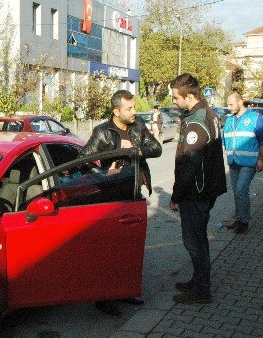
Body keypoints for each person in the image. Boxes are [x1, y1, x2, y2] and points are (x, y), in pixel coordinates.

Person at [81, 89, 162, 316]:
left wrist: (135, 150)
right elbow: (83, 159)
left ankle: (126, 290)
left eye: (134, 107)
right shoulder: (102, 132)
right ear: (116, 111)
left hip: (133, 195)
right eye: (129, 108)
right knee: (109, 248)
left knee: (130, 246)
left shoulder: (138, 127)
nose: (134, 112)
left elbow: (156, 148)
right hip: (110, 198)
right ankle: (104, 297)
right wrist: (102, 174)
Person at [168, 73, 226, 304]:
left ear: (188, 96)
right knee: (199, 238)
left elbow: (189, 163)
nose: (174, 101)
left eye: (175, 97)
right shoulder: (207, 114)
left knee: (194, 241)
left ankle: (202, 290)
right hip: (206, 189)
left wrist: (176, 195)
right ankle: (198, 280)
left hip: (196, 191)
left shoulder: (197, 121)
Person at [222, 92, 263, 234]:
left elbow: (262, 141)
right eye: (228, 104)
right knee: (236, 191)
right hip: (233, 162)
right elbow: (225, 139)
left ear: (240, 102)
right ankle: (239, 218)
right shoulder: (229, 120)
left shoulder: (255, 118)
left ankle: (244, 222)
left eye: (231, 104)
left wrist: (260, 159)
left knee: (241, 190)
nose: (229, 108)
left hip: (249, 162)